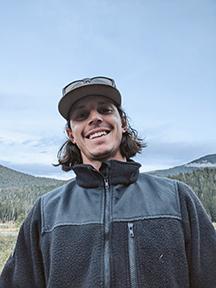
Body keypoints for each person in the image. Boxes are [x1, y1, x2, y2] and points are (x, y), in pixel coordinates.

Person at [1, 76, 216, 288]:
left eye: (105, 110)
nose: (94, 118)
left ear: (122, 123)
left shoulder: (176, 198)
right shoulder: (47, 211)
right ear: (71, 134)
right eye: (82, 115)